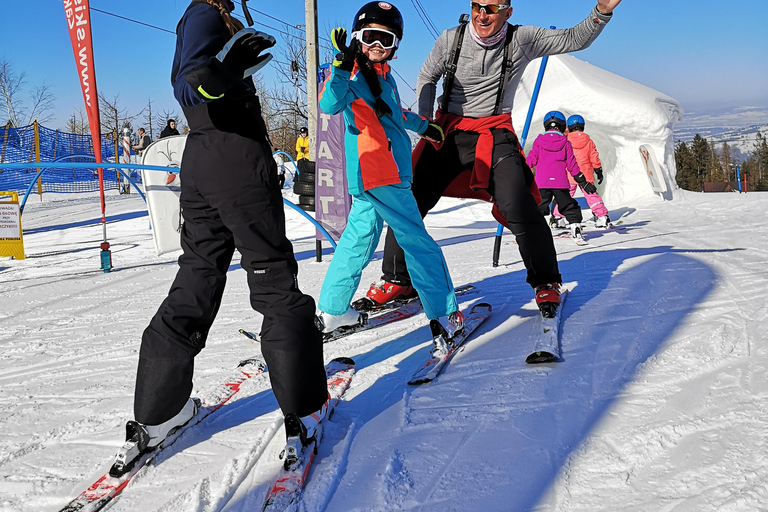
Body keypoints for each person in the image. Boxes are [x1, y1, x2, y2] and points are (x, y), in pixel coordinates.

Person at [120, 0, 328, 469]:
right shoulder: (206, 15)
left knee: (197, 273)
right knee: (273, 276)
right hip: (235, 160)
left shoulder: (204, 16)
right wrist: (219, 72)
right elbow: (191, 83)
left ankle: (160, 411)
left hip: (202, 161)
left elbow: (194, 82)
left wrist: (221, 71)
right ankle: (304, 410)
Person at [366, 0, 622, 318]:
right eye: (476, 6)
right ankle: (398, 279)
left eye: (490, 7)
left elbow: (572, 39)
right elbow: (428, 77)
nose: (481, 14)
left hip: (493, 132)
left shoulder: (522, 38)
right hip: (448, 129)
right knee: (409, 199)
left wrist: (601, 12)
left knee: (518, 204)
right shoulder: (451, 39)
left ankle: (546, 282)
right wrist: (425, 119)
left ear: (507, 12)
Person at [316, 1, 463, 344]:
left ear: (395, 46)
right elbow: (329, 104)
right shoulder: (350, 74)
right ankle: (444, 313)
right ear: (357, 37)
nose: (377, 47)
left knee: (357, 241)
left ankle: (334, 310)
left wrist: (425, 126)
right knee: (417, 241)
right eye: (370, 37)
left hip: (374, 177)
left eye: (386, 40)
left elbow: (394, 115)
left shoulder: (384, 78)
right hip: (382, 173)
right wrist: (339, 66)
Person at [527, 111, 597, 242]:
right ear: (562, 125)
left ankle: (534, 231)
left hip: (542, 182)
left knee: (539, 206)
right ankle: (575, 227)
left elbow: (532, 159)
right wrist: (583, 181)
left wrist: (519, 168)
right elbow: (572, 165)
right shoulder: (565, 142)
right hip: (560, 182)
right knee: (569, 206)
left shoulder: (539, 140)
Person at [558, 114, 611, 228]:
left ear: (569, 127)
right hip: (586, 174)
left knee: (565, 196)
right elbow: (594, 157)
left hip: (570, 174)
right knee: (592, 195)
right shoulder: (589, 141)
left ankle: (558, 218)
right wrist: (598, 170)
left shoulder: (566, 140)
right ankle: (602, 217)